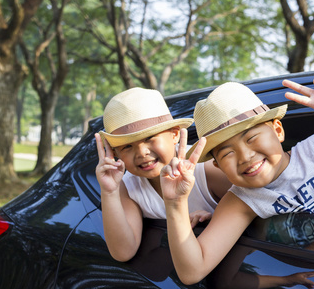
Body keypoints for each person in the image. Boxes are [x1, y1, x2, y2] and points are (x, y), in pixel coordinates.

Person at [160, 77, 314, 286]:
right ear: (216, 165)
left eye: (251, 138)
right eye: (227, 153)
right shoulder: (241, 200)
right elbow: (192, 271)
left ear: (277, 129)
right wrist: (176, 204)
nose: (245, 156)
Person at [95, 87, 231, 262]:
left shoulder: (206, 169)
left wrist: (218, 216)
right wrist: (109, 192)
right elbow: (123, 252)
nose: (141, 152)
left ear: (174, 134)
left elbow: (255, 205)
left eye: (149, 138)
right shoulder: (128, 186)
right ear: (116, 154)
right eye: (127, 146)